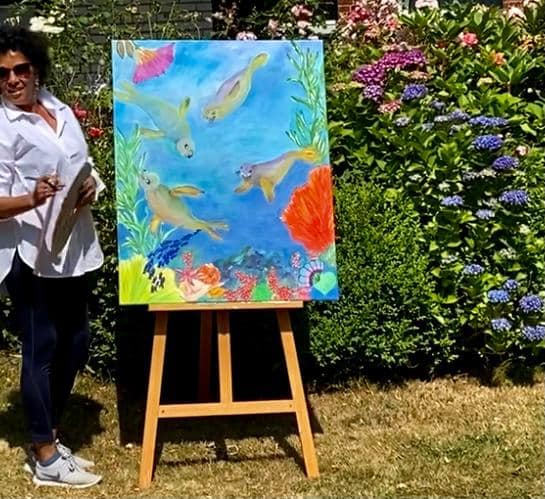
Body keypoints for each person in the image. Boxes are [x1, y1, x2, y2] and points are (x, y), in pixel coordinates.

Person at [0, 24, 103, 488]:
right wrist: (33, 198)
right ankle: (44, 454)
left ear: (36, 69)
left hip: (73, 245)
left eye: (21, 69)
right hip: (28, 253)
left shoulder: (58, 109)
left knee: (76, 342)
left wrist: (90, 186)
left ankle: (52, 437)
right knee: (40, 346)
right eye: (3, 74)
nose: (13, 79)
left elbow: (84, 166)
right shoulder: (3, 127)